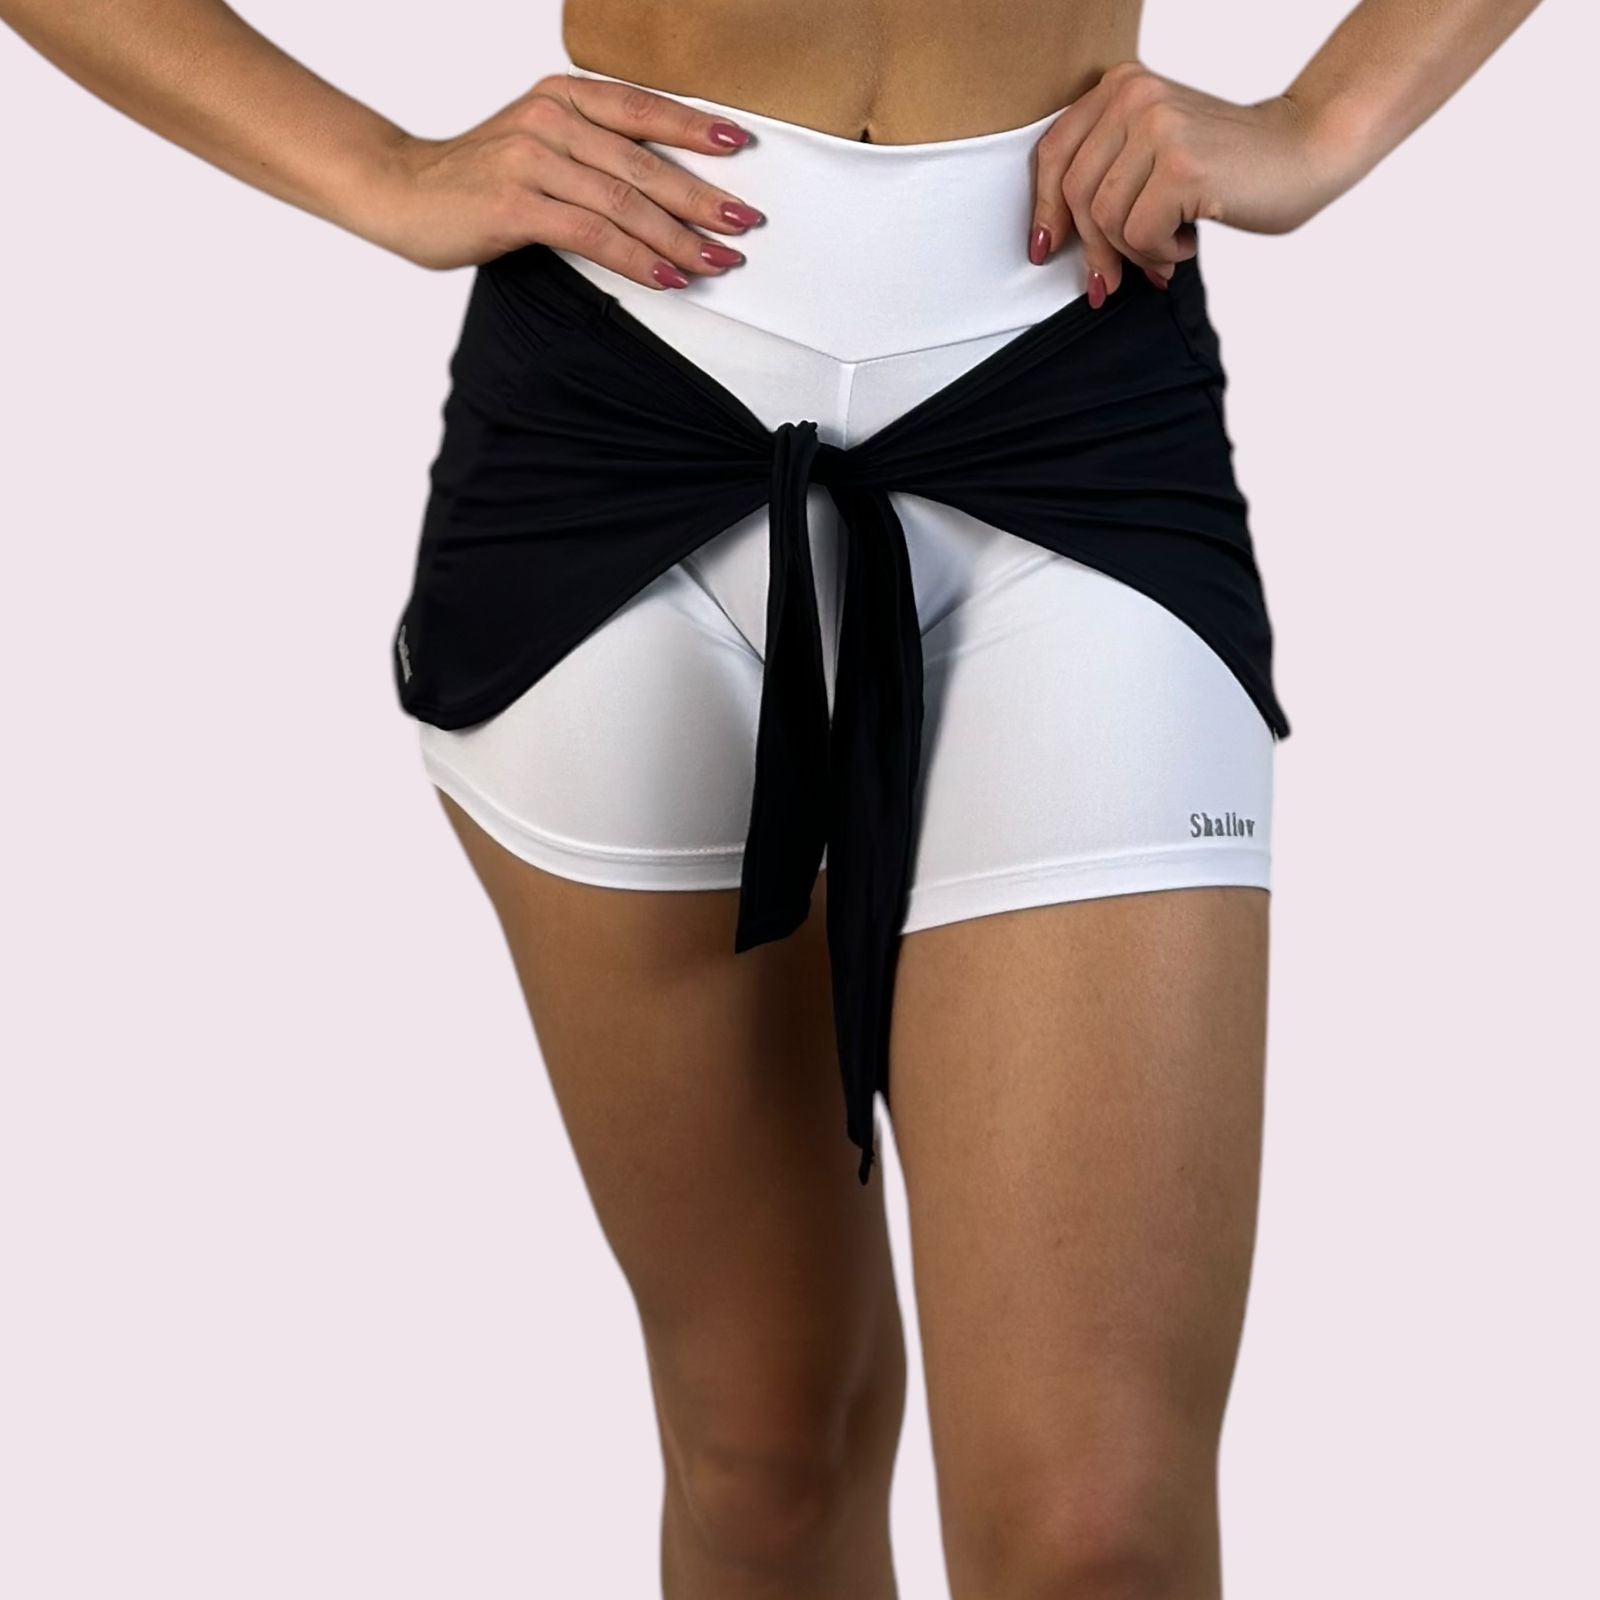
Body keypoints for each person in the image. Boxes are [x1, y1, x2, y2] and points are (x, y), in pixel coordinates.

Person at [0, 2, 1546, 1595]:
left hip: (1064, 399)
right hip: (620, 431)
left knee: (1102, 1541)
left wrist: (1323, 127)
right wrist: (380, 172)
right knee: (766, 1454)